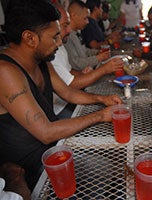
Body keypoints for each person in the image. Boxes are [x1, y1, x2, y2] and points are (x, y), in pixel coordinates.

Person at [0, 0, 122, 190]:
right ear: (30, 38)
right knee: (104, 170)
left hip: (56, 149)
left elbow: (68, 93)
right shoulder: (5, 72)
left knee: (113, 160)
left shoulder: (40, 59)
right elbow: (46, 132)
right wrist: (100, 115)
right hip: (32, 169)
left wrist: (102, 100)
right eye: (54, 36)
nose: (59, 42)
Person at [52, 4, 124, 118]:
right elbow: (71, 85)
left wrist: (82, 74)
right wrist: (104, 68)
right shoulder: (53, 52)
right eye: (65, 25)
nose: (69, 29)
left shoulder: (61, 45)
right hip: (60, 109)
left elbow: (69, 72)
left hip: (70, 99)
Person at [63, 0, 110, 71]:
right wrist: (98, 58)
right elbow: (76, 64)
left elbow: (84, 51)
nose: (87, 22)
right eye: (85, 18)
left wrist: (97, 52)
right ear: (74, 16)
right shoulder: (67, 37)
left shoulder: (77, 32)